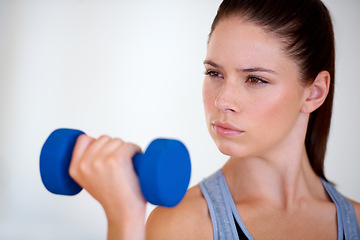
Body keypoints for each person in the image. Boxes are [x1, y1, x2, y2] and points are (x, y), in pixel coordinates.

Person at [68, 0, 360, 239]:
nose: (223, 101)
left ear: (314, 93)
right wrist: (125, 222)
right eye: (215, 73)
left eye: (255, 79)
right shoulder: (182, 226)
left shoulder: (356, 224)